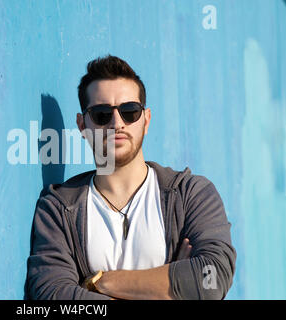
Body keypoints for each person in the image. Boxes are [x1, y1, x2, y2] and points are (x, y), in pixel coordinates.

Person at [24, 54, 236, 300]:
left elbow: (212, 279)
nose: (117, 123)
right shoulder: (59, 209)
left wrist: (100, 283)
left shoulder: (190, 194)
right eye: (102, 114)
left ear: (145, 120)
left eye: (129, 111)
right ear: (82, 125)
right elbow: (52, 295)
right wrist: (174, 287)